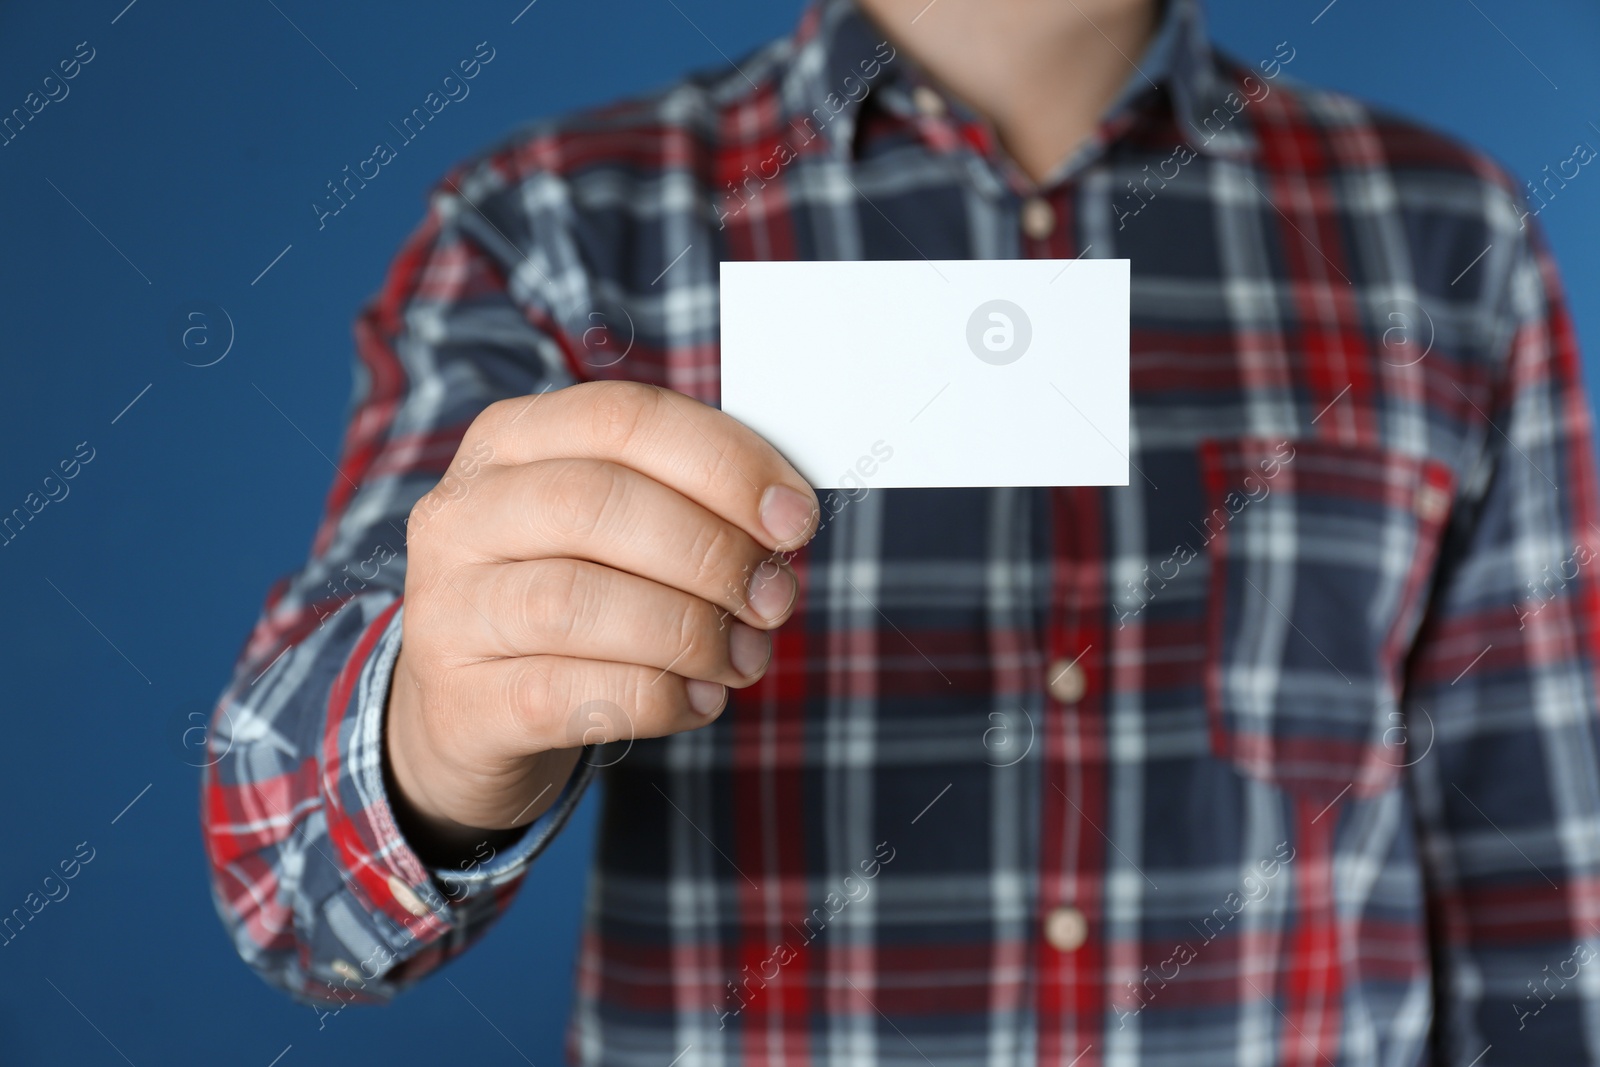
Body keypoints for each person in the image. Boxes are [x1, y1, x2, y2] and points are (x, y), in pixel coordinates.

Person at [202, 0, 1600, 1061]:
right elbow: (282, 885)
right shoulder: (557, 231)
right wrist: (440, 733)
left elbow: (1542, 875)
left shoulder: (1444, 238)